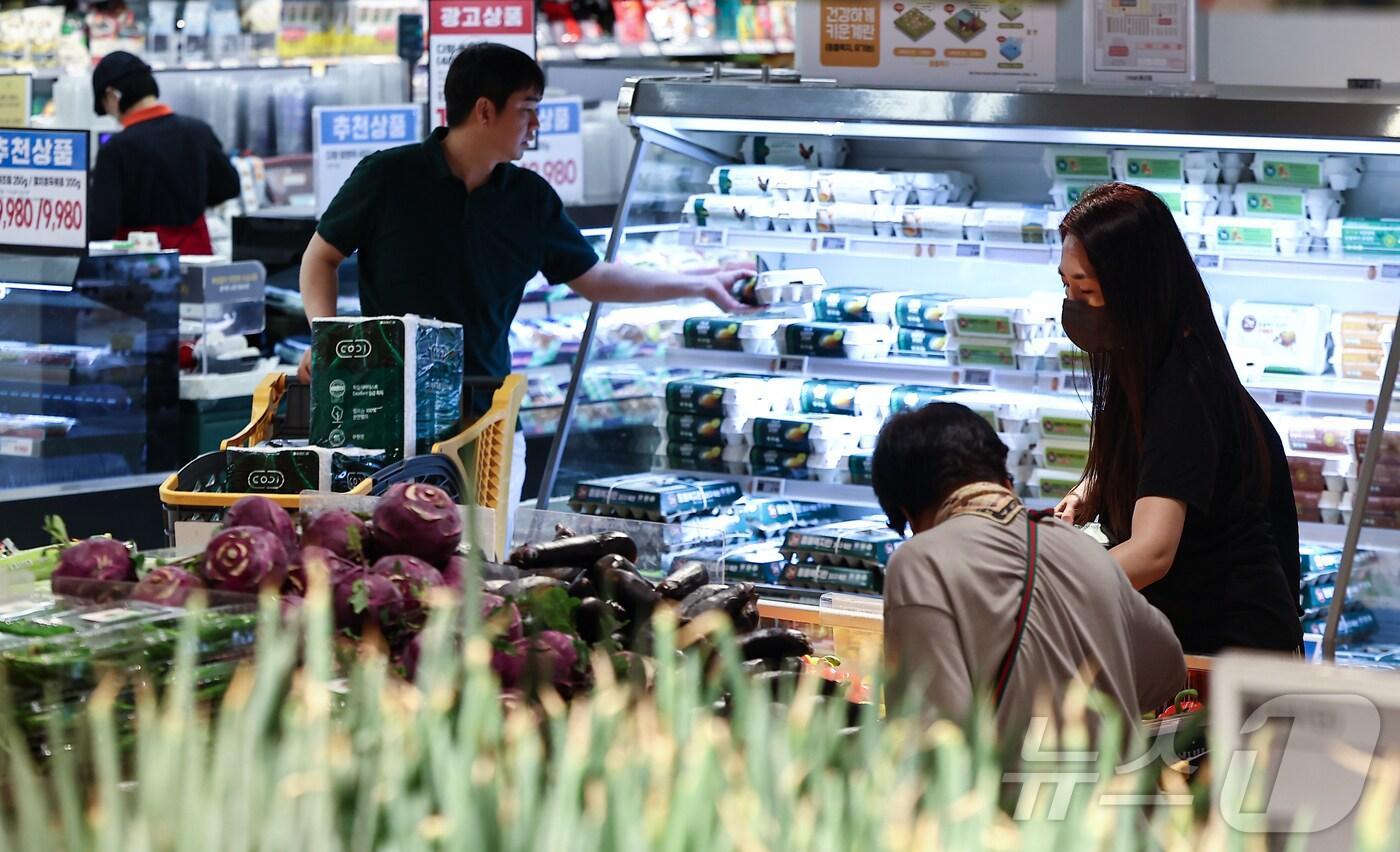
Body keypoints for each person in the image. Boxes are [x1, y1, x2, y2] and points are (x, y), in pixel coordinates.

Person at [299, 43, 748, 525]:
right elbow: (320, 258)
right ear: (485, 110)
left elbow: (595, 279)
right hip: (386, 410)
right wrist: (329, 343)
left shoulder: (529, 199)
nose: (536, 126)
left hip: (487, 415)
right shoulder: (388, 175)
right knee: (392, 554)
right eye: (528, 111)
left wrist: (700, 284)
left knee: (485, 563)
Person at [1052, 182, 1303, 656]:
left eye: (1084, 290)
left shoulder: (1184, 387)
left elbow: (1152, 551)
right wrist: (1096, 487)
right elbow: (1164, 463)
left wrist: (1044, 590)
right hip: (1194, 641)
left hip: (1233, 660)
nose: (1072, 305)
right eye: (1065, 286)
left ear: (1133, 285)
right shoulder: (1148, 359)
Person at [873, 402, 1185, 734]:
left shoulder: (921, 563)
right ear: (1001, 474)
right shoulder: (1084, 549)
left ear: (907, 512)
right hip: (1109, 781)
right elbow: (1166, 670)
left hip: (1009, 785)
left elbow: (929, 734)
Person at [89, 51, 241, 255]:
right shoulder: (198, 131)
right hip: (196, 256)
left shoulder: (116, 150)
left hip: (141, 262)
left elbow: (103, 225)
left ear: (112, 96)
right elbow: (228, 187)